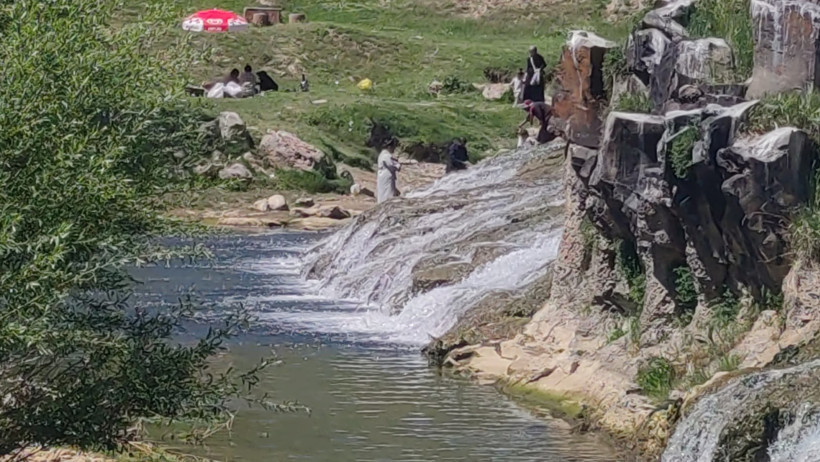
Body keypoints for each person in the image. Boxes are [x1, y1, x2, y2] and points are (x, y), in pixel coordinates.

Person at [377, 138, 401, 203]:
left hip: (384, 175)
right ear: (389, 147)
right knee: (387, 192)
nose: (394, 149)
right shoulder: (386, 155)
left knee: (384, 191)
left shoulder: (383, 154)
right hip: (386, 176)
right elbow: (390, 165)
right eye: (393, 147)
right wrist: (398, 166)